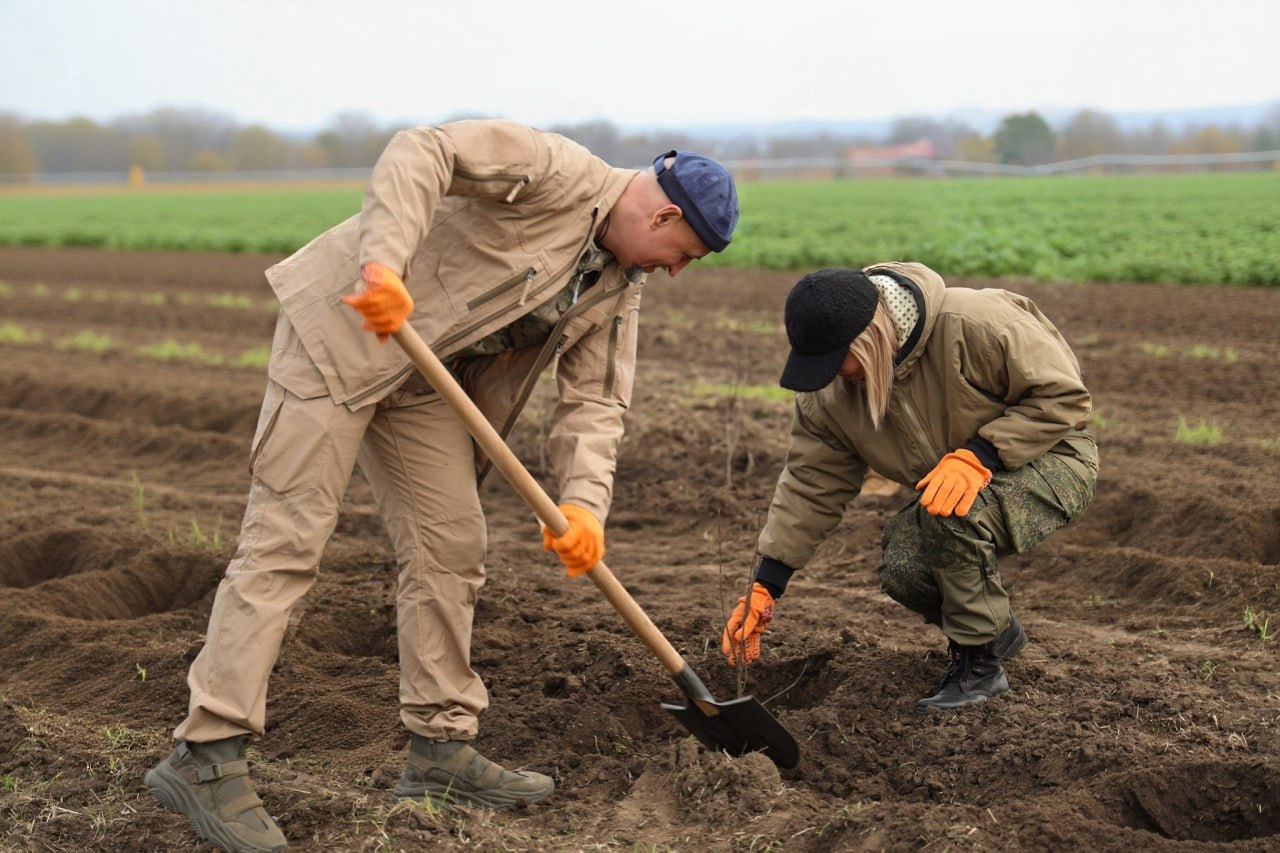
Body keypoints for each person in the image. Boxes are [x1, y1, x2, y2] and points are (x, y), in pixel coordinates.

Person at [145, 118, 739, 853]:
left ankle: (440, 750)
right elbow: (422, 149)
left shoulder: (619, 285)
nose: (676, 271)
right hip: (341, 331)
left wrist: (585, 506)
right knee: (286, 544)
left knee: (451, 546)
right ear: (663, 215)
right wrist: (384, 264)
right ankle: (205, 753)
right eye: (681, 255)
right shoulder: (554, 170)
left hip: (420, 379)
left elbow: (596, 403)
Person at [722, 263, 1097, 714]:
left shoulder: (975, 322)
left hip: (1051, 459)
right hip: (953, 489)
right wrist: (766, 585)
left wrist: (981, 455)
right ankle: (996, 632)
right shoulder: (831, 397)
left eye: (838, 360)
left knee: (950, 515)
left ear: (869, 338)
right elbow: (811, 483)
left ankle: (979, 670)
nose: (835, 375)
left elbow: (1063, 397)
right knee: (902, 562)